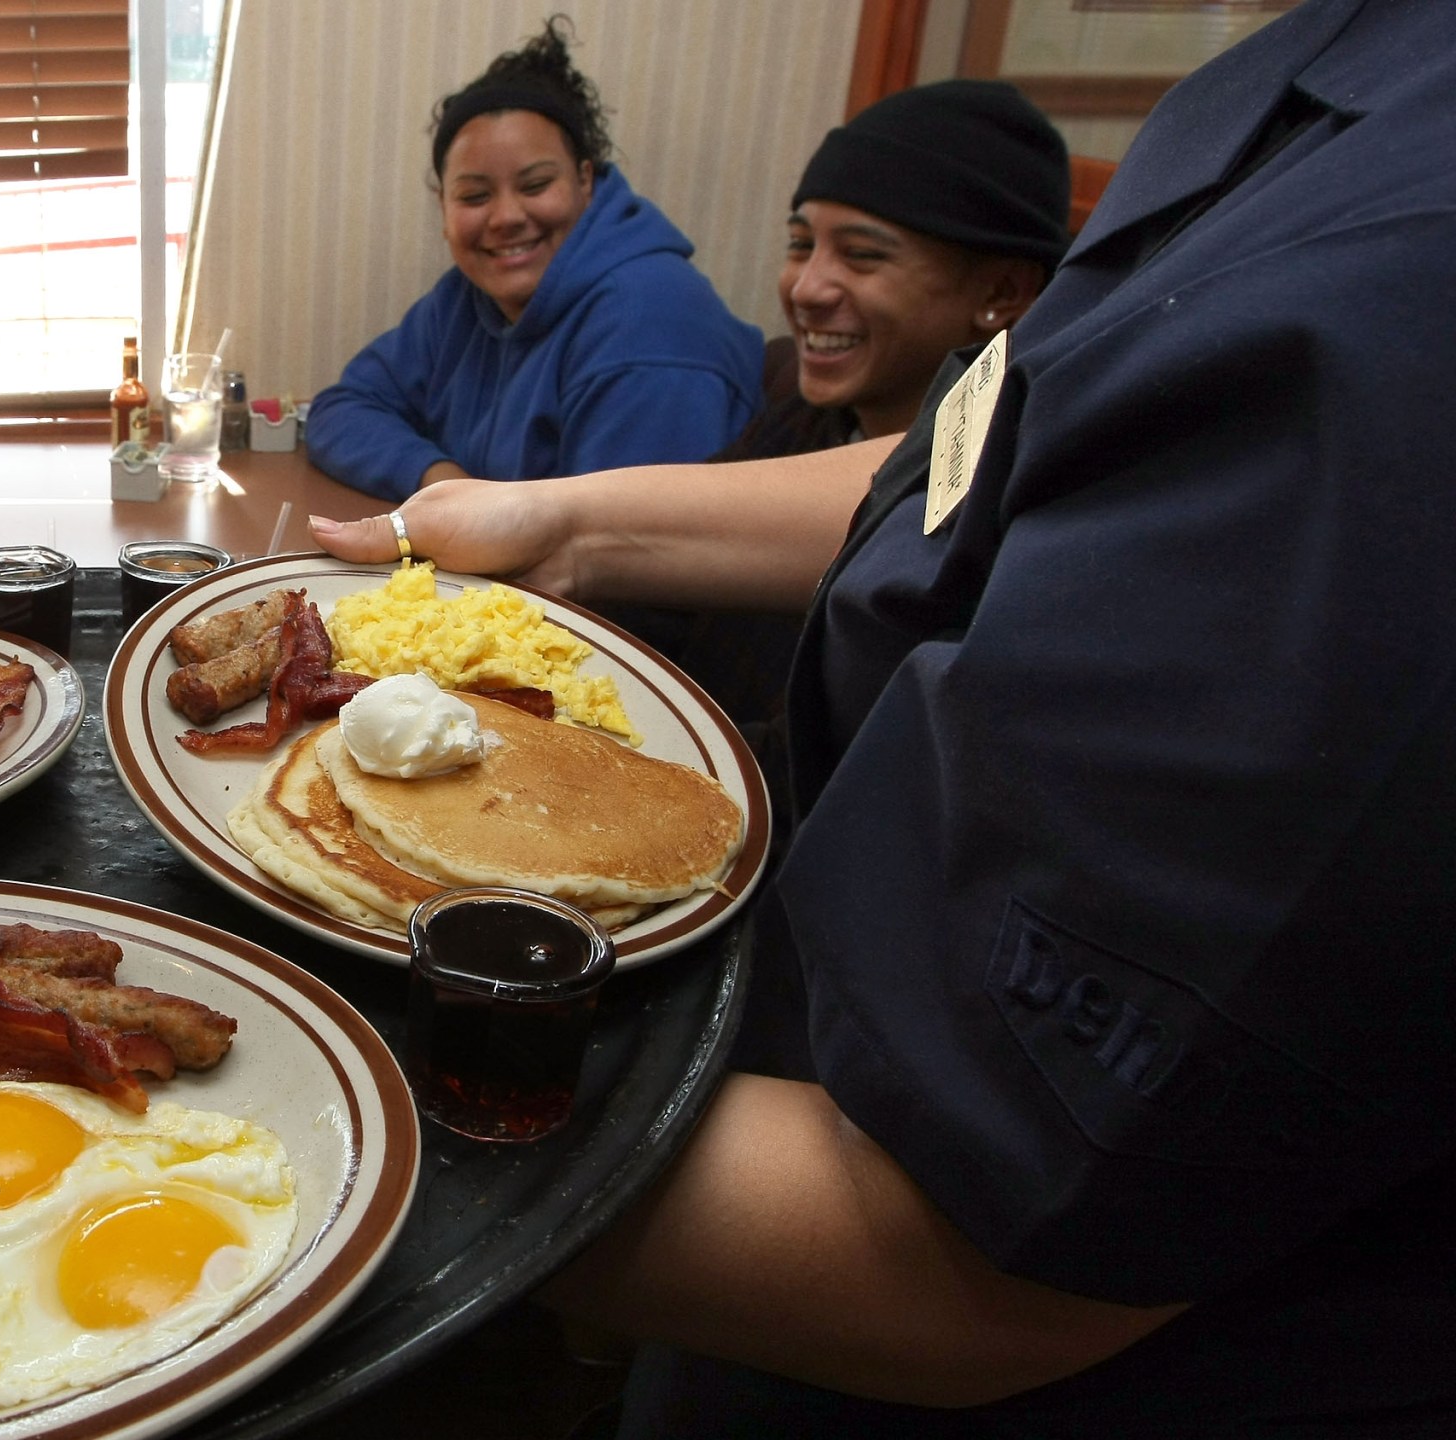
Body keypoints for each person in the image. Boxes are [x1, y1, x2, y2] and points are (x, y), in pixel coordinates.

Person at [313, 0, 1456, 1430]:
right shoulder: (1307, 81)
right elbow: (988, 469)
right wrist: (561, 528)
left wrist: (302, 1070)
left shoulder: (1410, 277)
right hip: (794, 1082)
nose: (815, 286)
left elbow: (963, 1246)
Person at [626, 78, 1068, 749]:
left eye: (862, 256)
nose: (806, 289)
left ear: (1003, 291)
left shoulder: (1006, 523)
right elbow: (653, 588)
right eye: (802, 245)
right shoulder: (799, 419)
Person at [301, 17, 762, 501]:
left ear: (586, 180)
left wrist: (478, 514)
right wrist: (446, 483)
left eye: (536, 185)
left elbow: (623, 555)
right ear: (443, 207)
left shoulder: (651, 322)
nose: (505, 217)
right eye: (475, 195)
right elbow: (341, 409)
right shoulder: (463, 299)